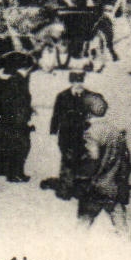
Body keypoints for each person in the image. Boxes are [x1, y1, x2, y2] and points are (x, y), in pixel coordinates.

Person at [0, 51, 33, 182]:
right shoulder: (14, 80)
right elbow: (16, 101)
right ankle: (10, 172)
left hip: (0, 116)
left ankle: (3, 169)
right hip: (7, 117)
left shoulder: (5, 79)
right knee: (15, 144)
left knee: (4, 142)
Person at [76, 96, 130, 227]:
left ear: (87, 112)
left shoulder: (91, 133)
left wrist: (80, 178)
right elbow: (125, 162)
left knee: (84, 222)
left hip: (96, 187)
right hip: (113, 186)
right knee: (121, 225)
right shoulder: (116, 132)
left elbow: (92, 159)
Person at [44, 70, 91, 198]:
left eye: (81, 81)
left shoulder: (88, 96)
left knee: (80, 159)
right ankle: (65, 189)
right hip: (66, 134)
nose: (79, 84)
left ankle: (77, 187)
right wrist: (53, 131)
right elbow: (56, 115)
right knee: (67, 160)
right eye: (76, 81)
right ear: (71, 82)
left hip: (82, 134)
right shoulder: (62, 96)